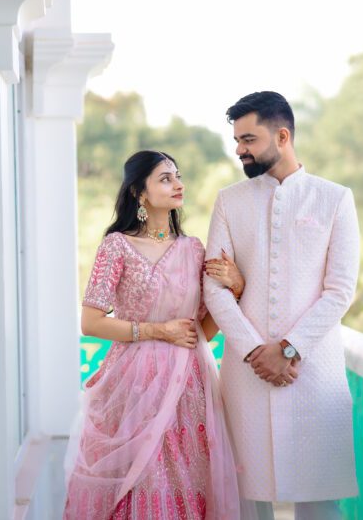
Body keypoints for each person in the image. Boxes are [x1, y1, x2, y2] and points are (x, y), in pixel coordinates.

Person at [203, 92, 360, 520]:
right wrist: (256, 351)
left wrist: (288, 348)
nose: (240, 149)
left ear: (283, 135)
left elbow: (340, 290)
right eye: (237, 140)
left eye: (249, 139)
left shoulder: (334, 199)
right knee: (245, 497)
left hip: (313, 370)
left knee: (319, 498)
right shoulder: (229, 201)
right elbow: (213, 287)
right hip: (245, 371)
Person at [64, 150, 245, 519]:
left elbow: (203, 327)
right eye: (165, 178)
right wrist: (156, 331)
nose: (178, 184)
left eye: (178, 176)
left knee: (185, 480)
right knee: (140, 479)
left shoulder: (193, 249)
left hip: (188, 385)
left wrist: (236, 290)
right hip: (132, 384)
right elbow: (91, 322)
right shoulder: (116, 246)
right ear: (139, 193)